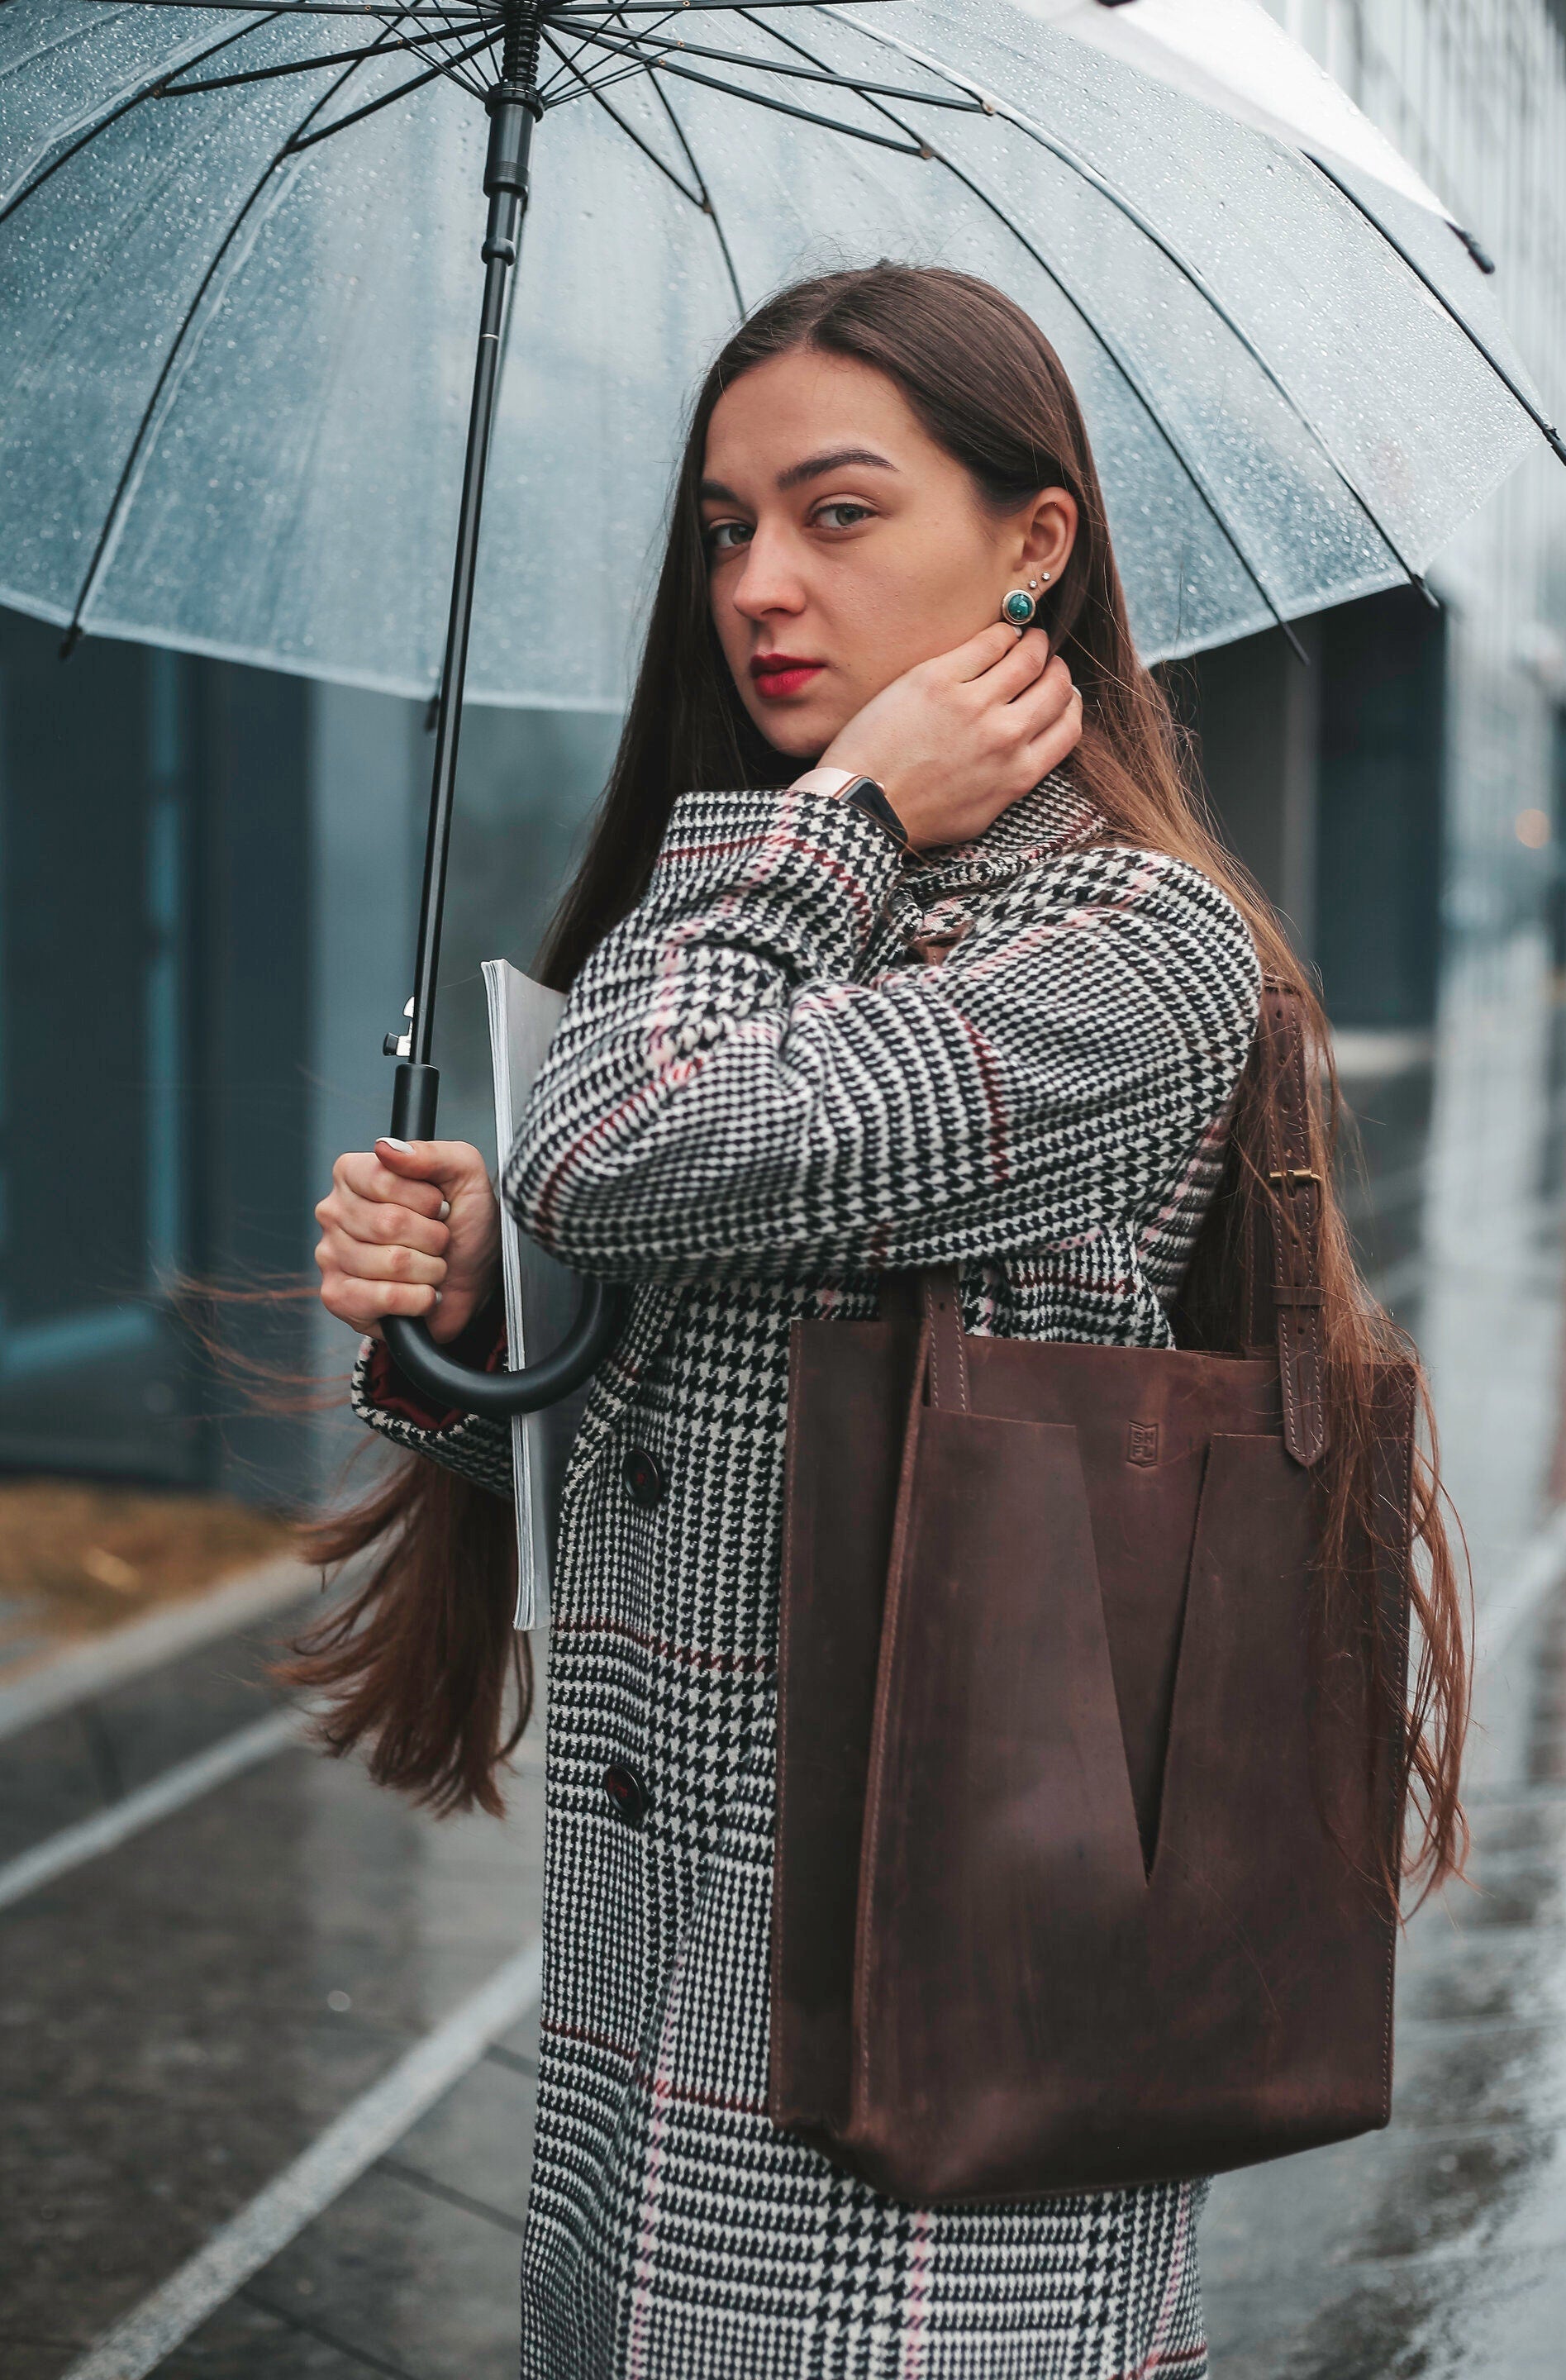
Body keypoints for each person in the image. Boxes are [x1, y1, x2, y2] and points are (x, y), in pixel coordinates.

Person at [303, 264, 1466, 2378]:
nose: (762, 581)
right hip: (659, 2060)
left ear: (1037, 547)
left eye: (840, 514)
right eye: (728, 527)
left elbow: (630, 1141)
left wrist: (834, 818)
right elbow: (678, 1461)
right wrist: (481, 1324)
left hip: (930, 2103)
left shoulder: (1130, 947)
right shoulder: (787, 900)